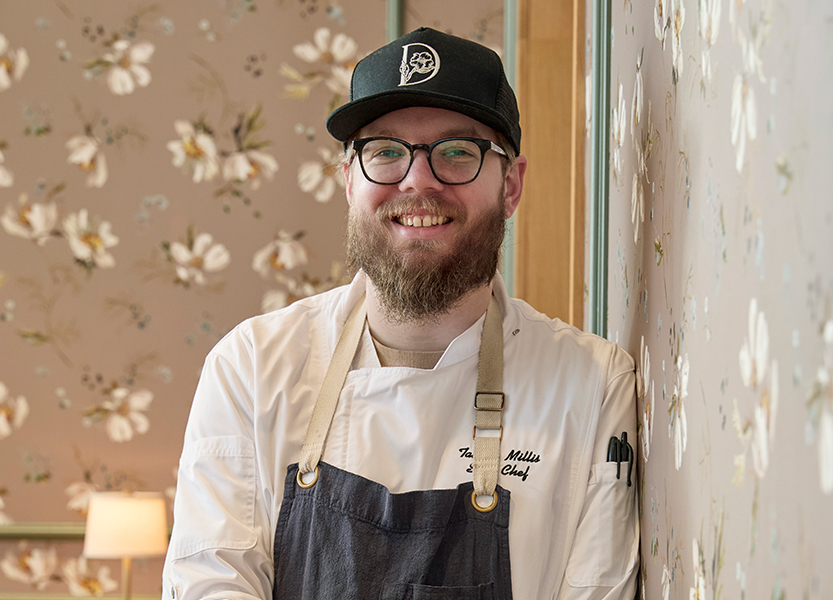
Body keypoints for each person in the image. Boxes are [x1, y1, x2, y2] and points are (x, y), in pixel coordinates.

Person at [162, 27, 638, 600]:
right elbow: (209, 584)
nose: (417, 180)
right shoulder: (252, 367)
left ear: (510, 184)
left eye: (457, 152)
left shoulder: (591, 386)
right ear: (348, 180)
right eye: (385, 152)